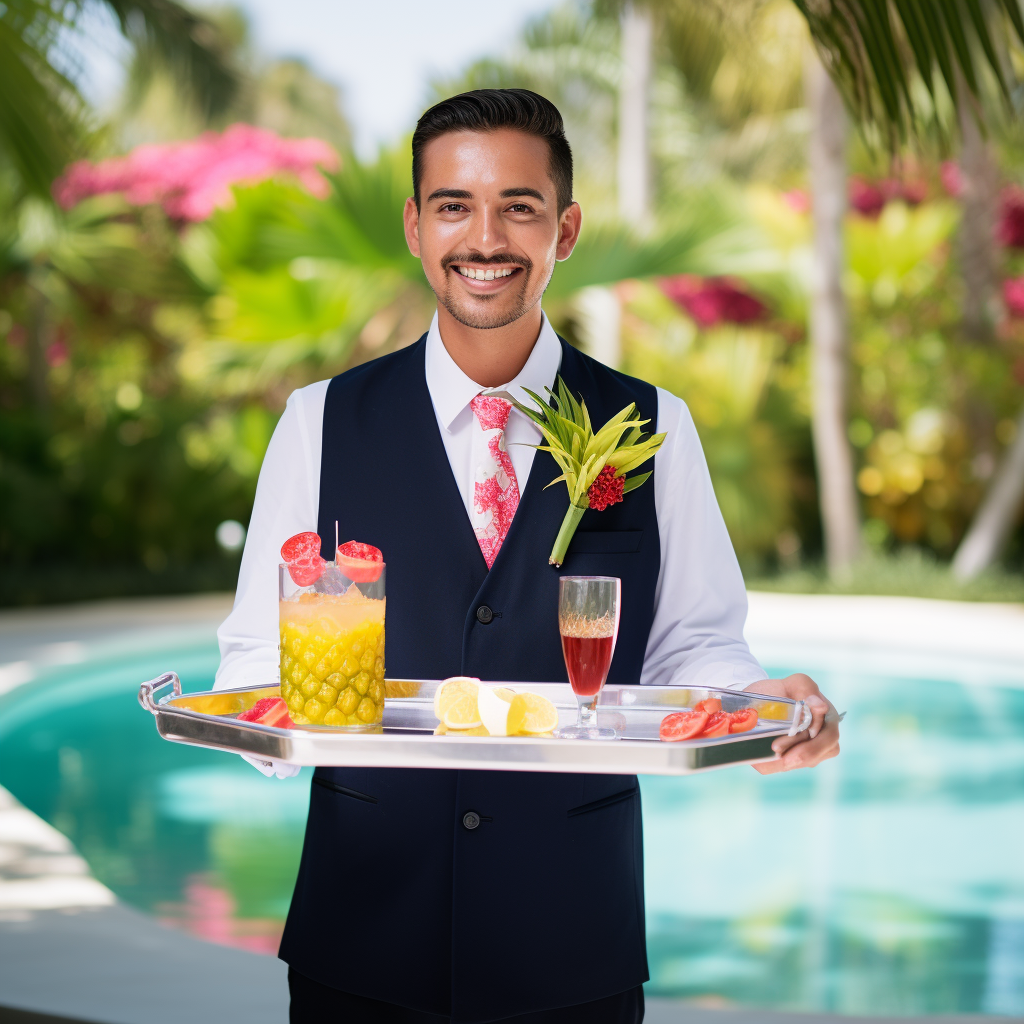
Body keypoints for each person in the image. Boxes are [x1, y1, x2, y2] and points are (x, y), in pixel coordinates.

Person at [215, 88, 840, 1024]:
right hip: (364, 932)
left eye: (520, 206)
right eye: (454, 206)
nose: (486, 238)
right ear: (416, 227)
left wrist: (761, 711)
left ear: (566, 228)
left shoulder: (654, 426)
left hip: (570, 938)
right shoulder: (319, 422)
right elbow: (255, 660)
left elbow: (692, 652)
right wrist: (280, 723)